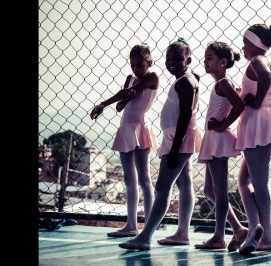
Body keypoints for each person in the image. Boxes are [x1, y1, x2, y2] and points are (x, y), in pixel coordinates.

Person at [118, 38, 203, 250]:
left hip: (178, 140)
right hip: (178, 138)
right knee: (184, 183)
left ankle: (145, 237)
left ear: (189, 60)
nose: (172, 62)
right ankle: (182, 232)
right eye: (169, 58)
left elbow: (185, 116)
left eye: (178, 58)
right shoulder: (186, 79)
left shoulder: (185, 82)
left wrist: (175, 149)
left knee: (162, 186)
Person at [90, 43, 159, 237]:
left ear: (150, 62)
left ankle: (149, 226)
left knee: (144, 179)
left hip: (140, 128)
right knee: (129, 179)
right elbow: (122, 105)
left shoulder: (152, 77)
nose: (136, 69)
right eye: (133, 65)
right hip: (126, 129)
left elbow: (126, 95)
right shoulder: (131, 79)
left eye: (140, 65)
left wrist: (103, 103)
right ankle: (131, 225)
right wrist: (125, 97)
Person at [236, 23, 271, 255]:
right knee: (244, 180)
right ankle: (255, 227)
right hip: (265, 120)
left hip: (258, 120)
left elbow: (265, 78)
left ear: (255, 44)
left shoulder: (257, 61)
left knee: (258, 182)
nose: (243, 47)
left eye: (245, 42)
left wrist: (255, 102)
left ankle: (266, 237)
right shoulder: (267, 61)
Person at [194, 41, 248, 251]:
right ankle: (237, 227)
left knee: (220, 190)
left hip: (218, 139)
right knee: (210, 189)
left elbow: (239, 105)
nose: (205, 61)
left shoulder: (223, 83)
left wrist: (224, 124)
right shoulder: (222, 84)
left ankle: (218, 236)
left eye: (210, 58)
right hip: (214, 138)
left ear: (223, 62)